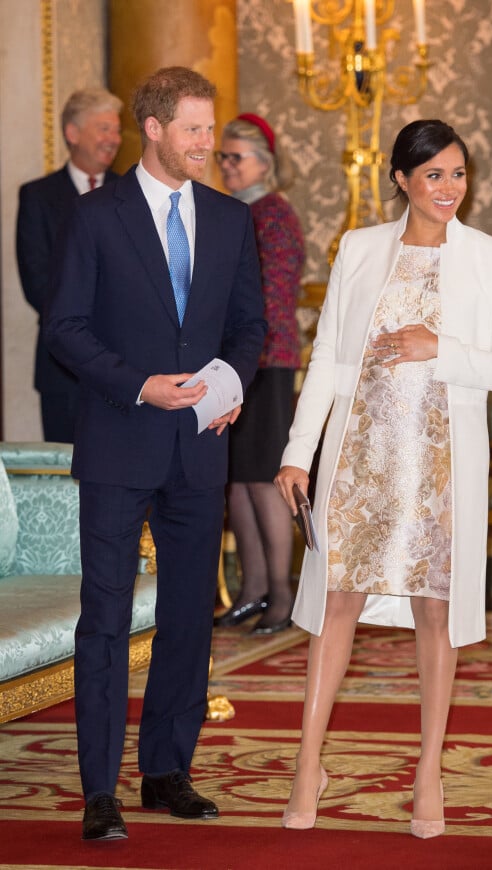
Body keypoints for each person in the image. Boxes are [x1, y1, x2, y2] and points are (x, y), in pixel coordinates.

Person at [274, 120, 492, 837]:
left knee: (435, 616)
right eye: (434, 177)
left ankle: (427, 771)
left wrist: (437, 346)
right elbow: (325, 358)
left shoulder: (491, 258)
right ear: (401, 181)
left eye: (458, 174)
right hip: (360, 461)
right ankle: (306, 763)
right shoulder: (359, 248)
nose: (450, 189)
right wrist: (299, 452)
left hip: (442, 469)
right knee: (336, 609)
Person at [44, 66, 266, 842]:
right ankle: (99, 788)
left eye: (212, 131)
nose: (210, 143)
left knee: (188, 620)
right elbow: (65, 328)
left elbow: (249, 327)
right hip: (118, 441)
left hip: (200, 448)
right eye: (197, 130)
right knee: (104, 621)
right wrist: (142, 386)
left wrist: (229, 383)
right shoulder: (96, 216)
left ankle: (168, 771)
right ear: (158, 129)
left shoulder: (230, 220)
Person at [213, 113, 305, 634]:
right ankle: (251, 590)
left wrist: (240, 349)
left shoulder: (273, 214)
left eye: (235, 157)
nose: (226, 165)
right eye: (222, 156)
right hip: (232, 364)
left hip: (267, 361)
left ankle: (283, 593)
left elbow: (269, 295)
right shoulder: (229, 210)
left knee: (266, 481)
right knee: (238, 482)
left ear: (264, 164)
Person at [16, 87, 123, 442]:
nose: (114, 139)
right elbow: (37, 283)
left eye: (117, 130)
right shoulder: (38, 197)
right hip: (61, 368)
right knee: (68, 476)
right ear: (72, 133)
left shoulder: (131, 195)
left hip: (126, 364)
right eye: (104, 129)